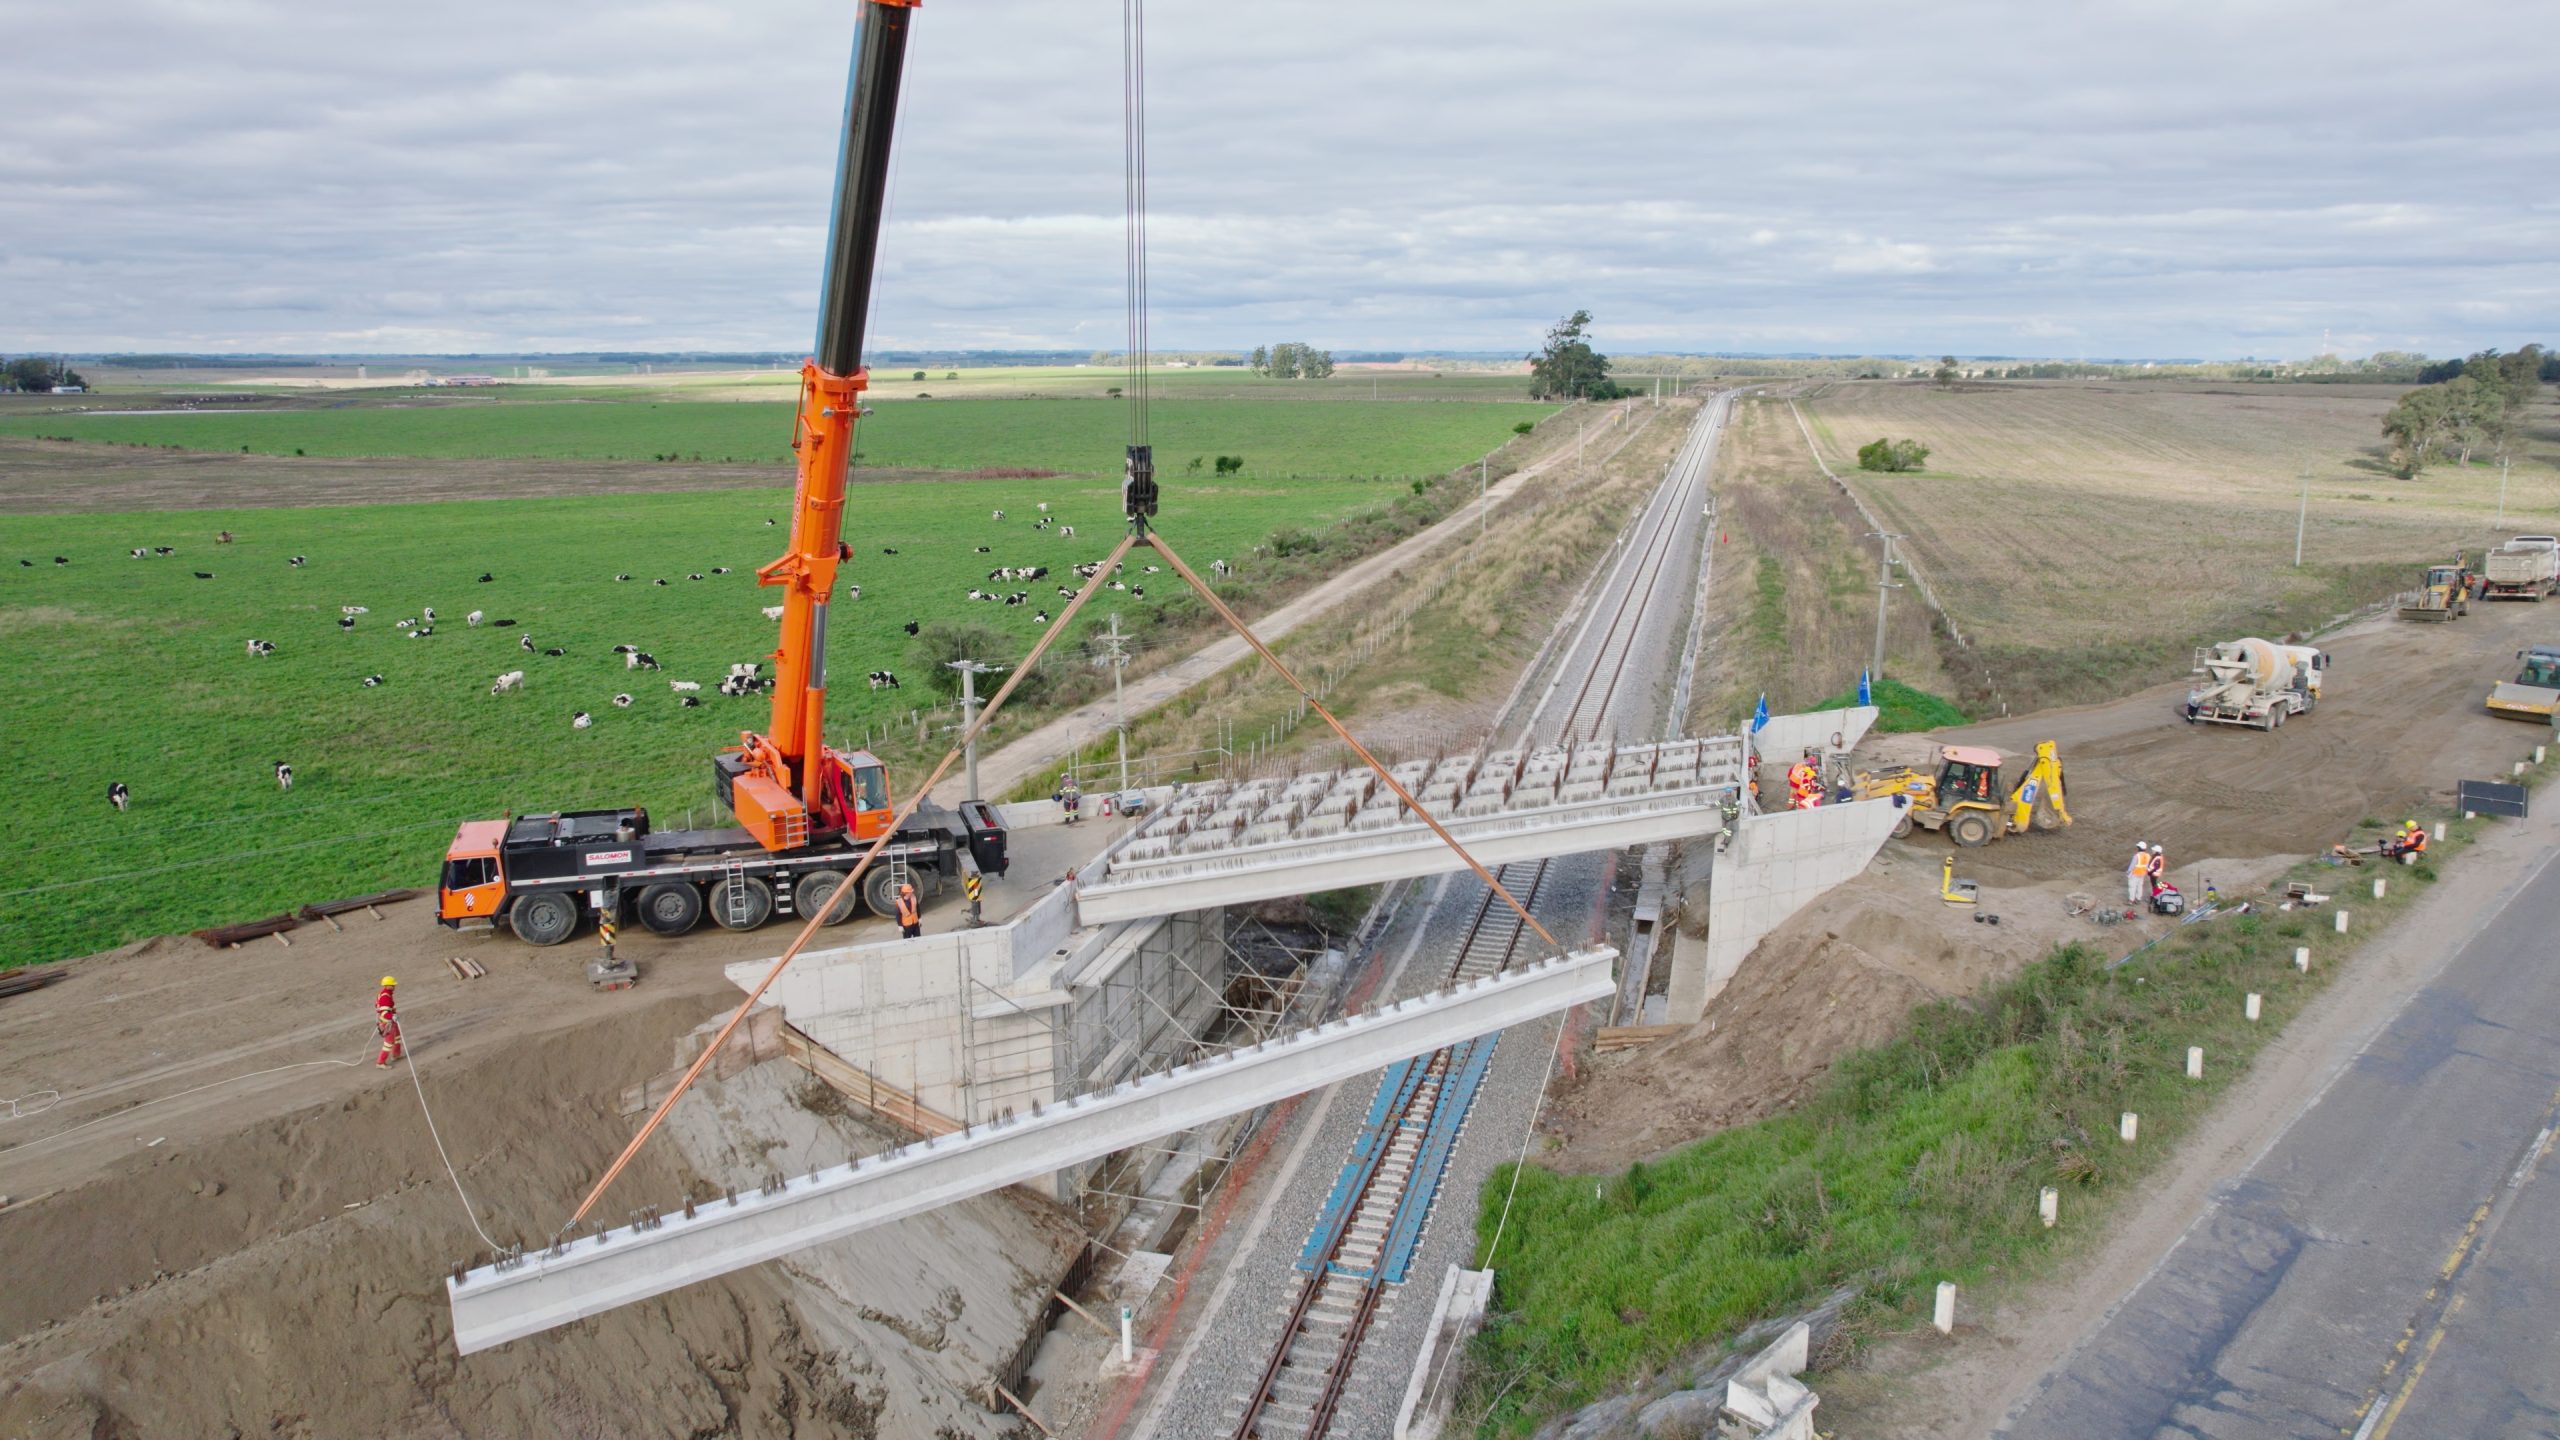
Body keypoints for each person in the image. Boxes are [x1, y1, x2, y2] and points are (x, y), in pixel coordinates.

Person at [375, 976, 403, 1068]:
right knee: (388, 1043)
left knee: (397, 1037)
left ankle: (396, 1055)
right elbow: (384, 1013)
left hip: (390, 1022)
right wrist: (392, 1016)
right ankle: (380, 1062)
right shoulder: (385, 997)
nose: (394, 987)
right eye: (393, 985)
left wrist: (392, 1012)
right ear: (388, 986)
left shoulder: (385, 994)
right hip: (387, 1023)